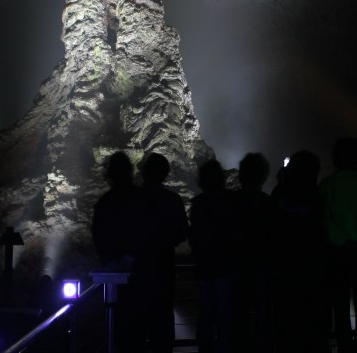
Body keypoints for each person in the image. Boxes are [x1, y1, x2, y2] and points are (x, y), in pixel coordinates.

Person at [91, 151, 189, 353]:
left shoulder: (122, 200)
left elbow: (106, 240)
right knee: (160, 334)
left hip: (131, 280)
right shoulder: (161, 199)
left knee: (131, 336)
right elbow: (179, 232)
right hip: (160, 275)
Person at [319, 137, 357, 353]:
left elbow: (325, 218)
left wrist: (342, 241)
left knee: (340, 305)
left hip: (337, 254)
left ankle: (344, 344)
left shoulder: (327, 185)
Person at [269, 150, 331, 353]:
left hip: (285, 271)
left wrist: (281, 181)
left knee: (286, 324)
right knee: (314, 325)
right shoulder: (320, 197)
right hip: (314, 271)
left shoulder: (278, 196)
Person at [189, 158, 246, 353]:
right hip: (227, 267)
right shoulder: (232, 200)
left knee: (206, 313)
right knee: (226, 315)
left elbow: (194, 236)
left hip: (206, 268)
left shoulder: (198, 204)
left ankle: (205, 348)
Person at [235, 152, 273, 353]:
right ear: (264, 176)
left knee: (238, 316)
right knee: (263, 317)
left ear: (241, 175)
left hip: (235, 269)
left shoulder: (231, 203)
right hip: (262, 269)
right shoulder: (269, 204)